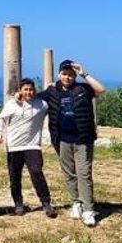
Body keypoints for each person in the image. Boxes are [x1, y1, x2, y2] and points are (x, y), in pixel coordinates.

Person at [38, 60, 105, 227]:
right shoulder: (52, 91)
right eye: (64, 74)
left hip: (83, 139)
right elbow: (33, 98)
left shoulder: (83, 89)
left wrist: (84, 74)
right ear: (59, 74)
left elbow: (101, 90)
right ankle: (76, 202)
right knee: (69, 173)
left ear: (74, 76)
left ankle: (88, 209)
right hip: (61, 139)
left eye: (70, 75)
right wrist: (19, 95)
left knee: (84, 173)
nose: (66, 77)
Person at [0, 78, 56, 218]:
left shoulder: (42, 105)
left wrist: (53, 86)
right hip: (14, 146)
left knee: (36, 172)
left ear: (35, 90)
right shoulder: (11, 104)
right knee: (14, 177)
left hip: (32, 145)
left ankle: (46, 203)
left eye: (31, 89)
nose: (29, 92)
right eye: (26, 89)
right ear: (20, 91)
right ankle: (18, 204)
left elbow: (55, 99)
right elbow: (1, 118)